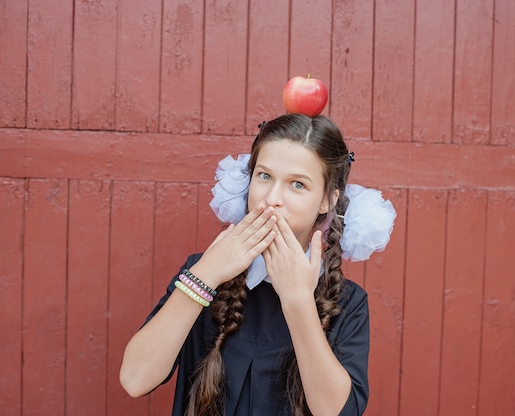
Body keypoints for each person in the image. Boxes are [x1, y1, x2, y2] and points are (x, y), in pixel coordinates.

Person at [119, 113, 396, 416]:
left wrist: (298, 301)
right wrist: (205, 275)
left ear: (327, 201)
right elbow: (135, 380)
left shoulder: (348, 303)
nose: (272, 198)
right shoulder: (202, 272)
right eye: (264, 176)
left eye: (298, 185)